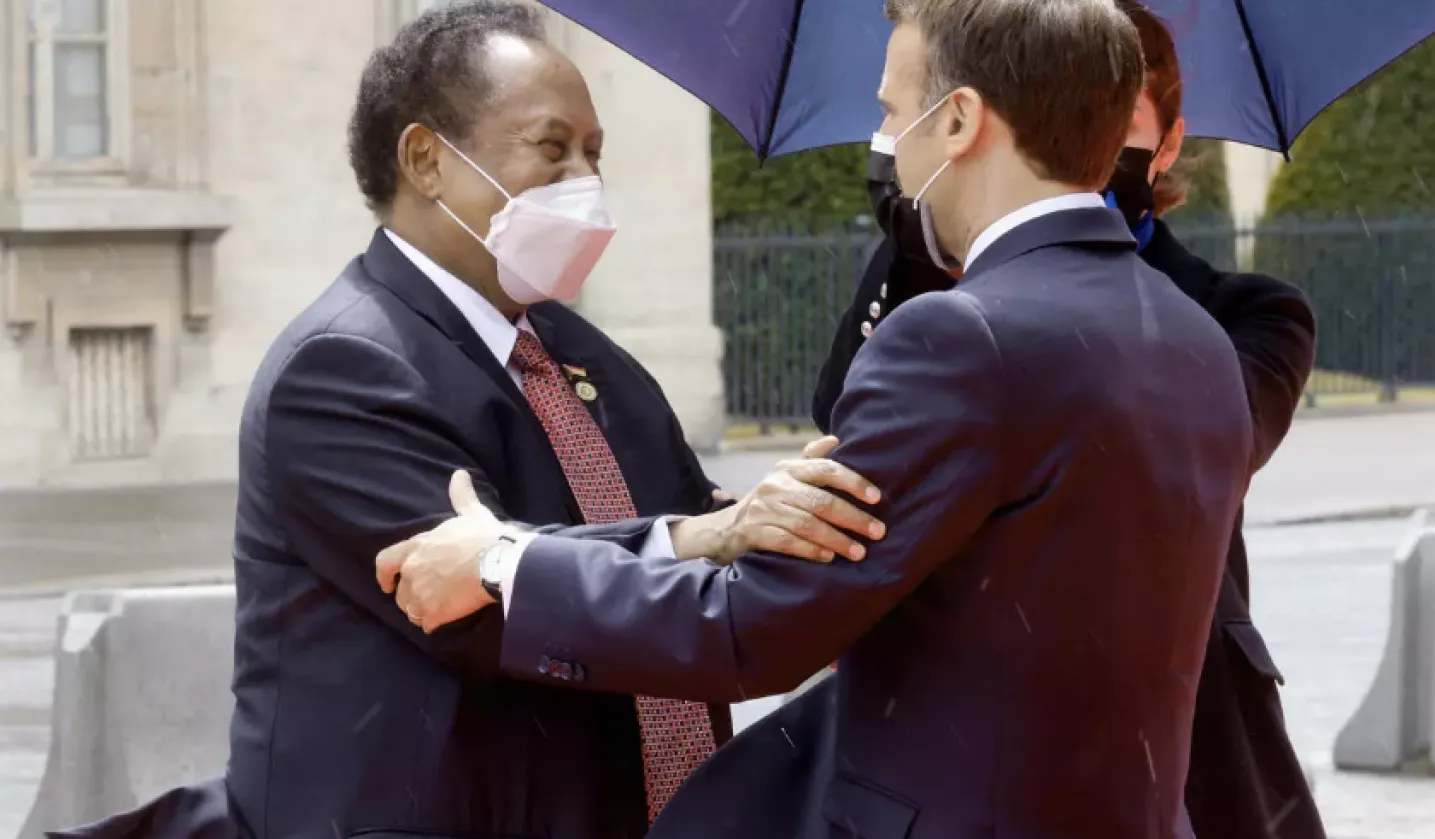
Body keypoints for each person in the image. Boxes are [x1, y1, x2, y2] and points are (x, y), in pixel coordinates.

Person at [379, 0, 1257, 836]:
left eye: (892, 109)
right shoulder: (1194, 335)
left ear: (958, 122)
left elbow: (752, 628)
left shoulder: (959, 338)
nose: (885, 146)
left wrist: (505, 564)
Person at [49, 4, 885, 839]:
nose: (584, 184)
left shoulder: (588, 359)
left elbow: (706, 558)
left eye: (594, 154)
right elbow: (479, 607)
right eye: (551, 149)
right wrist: (700, 538)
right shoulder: (344, 368)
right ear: (427, 161)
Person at [814, 4, 1327, 836]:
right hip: (961, 725)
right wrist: (923, 234)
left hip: (1185, 729)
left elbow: (1196, 442)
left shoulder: (1245, 314)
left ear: (1166, 141)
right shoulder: (942, 287)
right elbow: (841, 418)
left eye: (1120, 110)